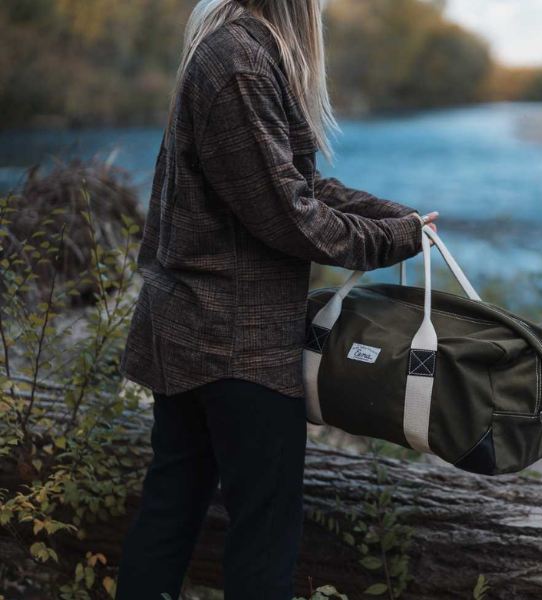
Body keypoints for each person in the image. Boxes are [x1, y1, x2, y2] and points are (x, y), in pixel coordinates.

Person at [115, 0, 439, 599]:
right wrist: (391, 239)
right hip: (233, 342)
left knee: (172, 511)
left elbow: (301, 183)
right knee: (259, 537)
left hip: (199, 332)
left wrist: (400, 219)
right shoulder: (239, 60)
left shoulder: (242, 49)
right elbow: (290, 217)